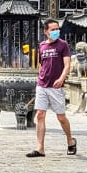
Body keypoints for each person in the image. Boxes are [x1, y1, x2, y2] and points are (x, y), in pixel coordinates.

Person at [26, 19, 76, 157]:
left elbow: (67, 65)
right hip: (42, 85)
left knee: (61, 117)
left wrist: (61, 78)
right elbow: (41, 65)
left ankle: (70, 140)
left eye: (57, 29)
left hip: (56, 86)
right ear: (46, 31)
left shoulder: (63, 45)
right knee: (40, 115)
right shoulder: (42, 46)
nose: (55, 31)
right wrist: (39, 79)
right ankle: (40, 148)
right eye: (52, 29)